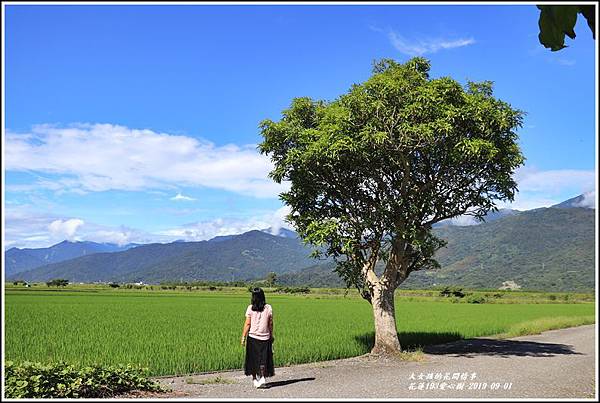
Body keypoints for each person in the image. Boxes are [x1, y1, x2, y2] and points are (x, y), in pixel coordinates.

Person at [241, 287, 275, 388]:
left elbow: (247, 324)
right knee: (264, 358)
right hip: (265, 337)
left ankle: (255, 379)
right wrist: (271, 335)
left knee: (253, 359)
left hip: (253, 338)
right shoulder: (268, 308)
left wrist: (243, 337)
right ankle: (263, 377)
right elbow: (270, 323)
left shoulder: (250, 308)